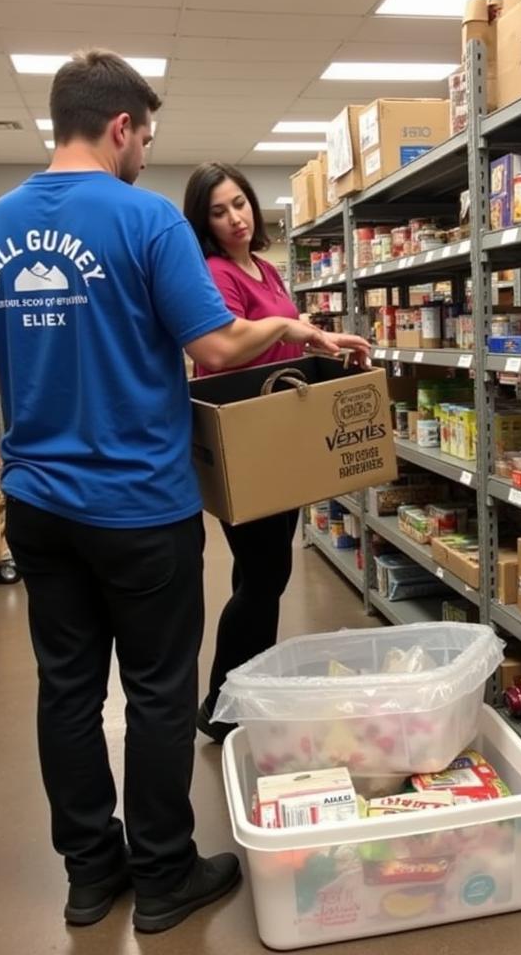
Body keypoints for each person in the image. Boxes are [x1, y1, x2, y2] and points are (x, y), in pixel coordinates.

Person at [0, 49, 369, 934]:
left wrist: (51, 359)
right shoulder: (146, 221)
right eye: (145, 135)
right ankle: (166, 875)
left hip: (39, 502)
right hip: (141, 500)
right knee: (156, 692)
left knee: (66, 690)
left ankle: (91, 875)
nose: (144, 152)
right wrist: (292, 325)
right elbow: (214, 351)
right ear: (122, 127)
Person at [183, 162, 304, 744]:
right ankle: (223, 701)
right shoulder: (215, 272)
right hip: (244, 437)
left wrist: (311, 335)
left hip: (280, 433)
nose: (235, 218)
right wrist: (285, 326)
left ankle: (247, 691)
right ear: (203, 222)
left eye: (240, 204)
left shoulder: (266, 268)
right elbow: (227, 346)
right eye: (219, 210)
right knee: (262, 575)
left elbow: (286, 333)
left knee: (267, 572)